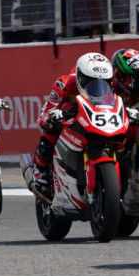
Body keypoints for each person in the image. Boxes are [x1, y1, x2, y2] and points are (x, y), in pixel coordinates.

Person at [28, 52, 114, 199]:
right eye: (90, 82)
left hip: (95, 119)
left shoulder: (110, 87)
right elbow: (47, 113)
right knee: (49, 133)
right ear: (80, 78)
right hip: (67, 117)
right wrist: (54, 117)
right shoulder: (64, 84)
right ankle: (40, 172)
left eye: (103, 82)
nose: (97, 87)